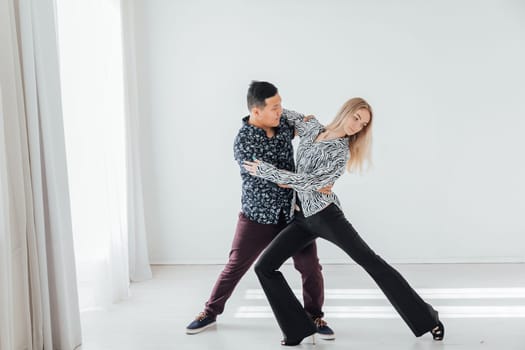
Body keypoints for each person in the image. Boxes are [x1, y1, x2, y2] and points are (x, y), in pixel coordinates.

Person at [243, 97, 445, 346]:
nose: (357, 126)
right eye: (356, 117)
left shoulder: (340, 152)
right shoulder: (311, 127)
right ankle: (298, 329)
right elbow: (279, 112)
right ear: (345, 112)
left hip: (326, 217)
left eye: (363, 124)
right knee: (264, 267)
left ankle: (428, 319)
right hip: (300, 218)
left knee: (372, 262)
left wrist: (270, 173)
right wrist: (268, 110)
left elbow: (313, 183)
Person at [185, 81, 335, 340]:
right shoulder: (244, 141)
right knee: (235, 265)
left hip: (292, 214)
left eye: (280, 105)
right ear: (256, 111)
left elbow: (311, 129)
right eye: (275, 107)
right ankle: (210, 312)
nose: (281, 111)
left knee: (310, 266)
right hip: (257, 216)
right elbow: (272, 178)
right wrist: (304, 179)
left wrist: (308, 123)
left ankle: (314, 316)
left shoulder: (284, 125)